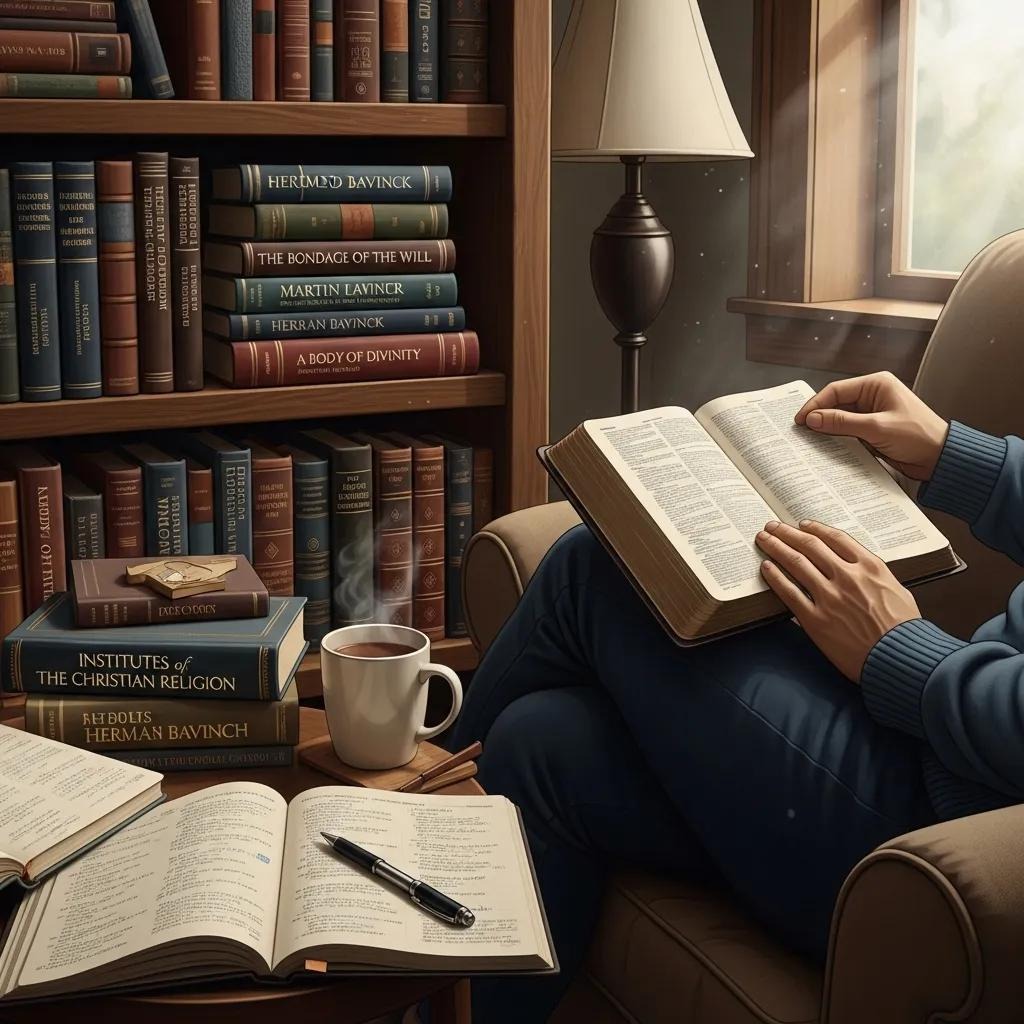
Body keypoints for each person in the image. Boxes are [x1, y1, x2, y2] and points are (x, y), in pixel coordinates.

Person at [449, 372, 1024, 1023]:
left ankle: (390, 843)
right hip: (939, 741)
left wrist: (899, 649)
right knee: (542, 739)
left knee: (596, 568)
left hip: (960, 831)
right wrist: (962, 457)